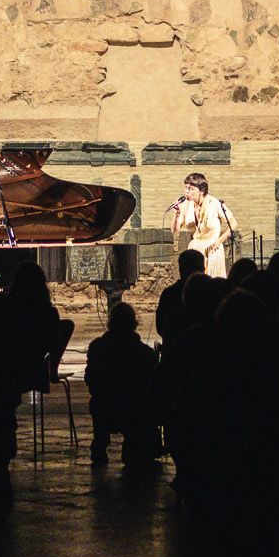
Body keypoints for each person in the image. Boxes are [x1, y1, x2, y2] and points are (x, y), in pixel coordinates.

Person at [85, 301, 159, 468]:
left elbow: (90, 378)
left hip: (104, 405)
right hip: (134, 409)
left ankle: (100, 444)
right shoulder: (145, 354)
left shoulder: (97, 347)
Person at [169, 172, 237, 280]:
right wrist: (176, 214)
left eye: (191, 189)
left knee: (213, 283)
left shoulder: (214, 203)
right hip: (195, 249)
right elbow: (174, 229)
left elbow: (233, 223)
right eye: (186, 188)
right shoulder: (186, 205)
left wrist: (220, 240)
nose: (187, 191)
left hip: (212, 248)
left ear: (202, 190)